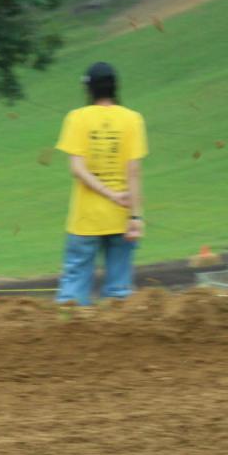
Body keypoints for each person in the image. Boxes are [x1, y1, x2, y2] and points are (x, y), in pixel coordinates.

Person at [54, 62, 147, 305]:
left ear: (89, 89)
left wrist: (107, 193)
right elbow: (134, 171)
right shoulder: (132, 119)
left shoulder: (77, 118)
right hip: (120, 217)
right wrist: (135, 217)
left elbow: (77, 168)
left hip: (85, 219)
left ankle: (69, 338)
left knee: (73, 294)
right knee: (118, 294)